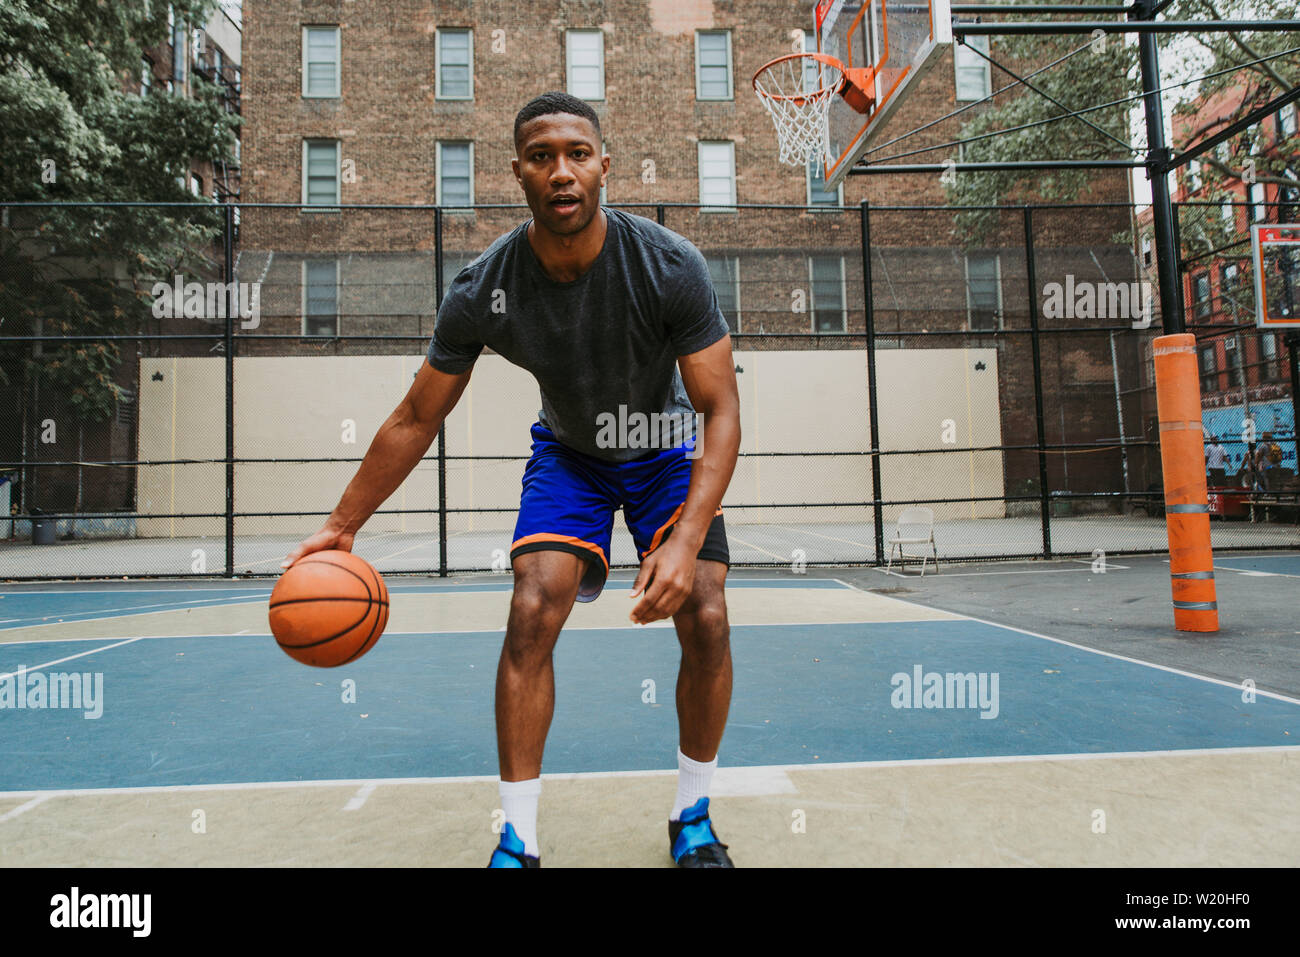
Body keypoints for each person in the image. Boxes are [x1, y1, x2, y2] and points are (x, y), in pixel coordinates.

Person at [283, 92, 741, 868]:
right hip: (571, 454)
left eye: (577, 154)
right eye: (541, 157)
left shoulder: (668, 265)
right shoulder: (483, 288)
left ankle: (691, 814)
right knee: (531, 605)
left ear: (605, 167)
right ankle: (518, 837)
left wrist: (688, 535)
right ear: (519, 174)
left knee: (705, 607)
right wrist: (343, 523)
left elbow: (721, 408)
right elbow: (414, 416)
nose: (561, 171)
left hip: (664, 445)